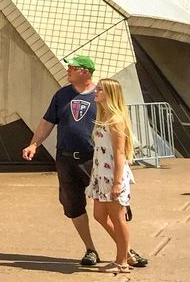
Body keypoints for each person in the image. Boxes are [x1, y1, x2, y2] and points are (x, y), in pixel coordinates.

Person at [21, 55, 147, 268]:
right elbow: (47, 122)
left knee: (112, 210)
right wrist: (34, 144)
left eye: (72, 67)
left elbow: (118, 139)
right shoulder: (62, 95)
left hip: (96, 162)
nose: (67, 70)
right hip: (66, 158)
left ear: (86, 72)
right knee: (74, 205)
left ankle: (126, 252)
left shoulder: (102, 97)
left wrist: (119, 174)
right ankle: (90, 249)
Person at [87, 79, 136, 274]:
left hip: (113, 174)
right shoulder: (103, 116)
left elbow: (119, 153)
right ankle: (126, 251)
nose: (96, 92)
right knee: (99, 214)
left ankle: (121, 260)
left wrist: (117, 182)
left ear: (110, 94)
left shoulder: (116, 120)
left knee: (118, 217)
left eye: (100, 89)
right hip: (100, 173)